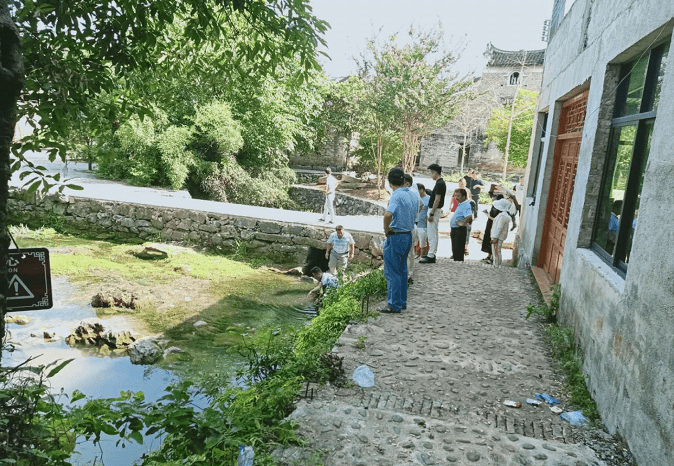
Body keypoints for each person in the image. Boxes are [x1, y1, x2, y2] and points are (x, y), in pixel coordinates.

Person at [381, 167, 417, 313]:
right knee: (402, 269)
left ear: (390, 182)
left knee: (392, 271)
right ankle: (402, 301)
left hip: (396, 235)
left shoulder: (396, 195)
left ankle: (394, 304)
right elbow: (420, 207)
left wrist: (386, 229)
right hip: (408, 233)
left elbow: (388, 214)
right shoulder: (413, 194)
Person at [420, 164, 446, 264]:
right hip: (434, 210)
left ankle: (431, 254)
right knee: (433, 232)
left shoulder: (440, 183)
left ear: (435, 172)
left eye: (431, 173)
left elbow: (437, 199)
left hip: (434, 210)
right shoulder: (440, 183)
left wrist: (431, 213)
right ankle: (431, 253)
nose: (431, 175)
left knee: (432, 233)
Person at [404, 174, 422, 282]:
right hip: (414, 224)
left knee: (405, 253)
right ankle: (410, 274)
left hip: (406, 225)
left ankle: (405, 277)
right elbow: (421, 205)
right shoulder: (415, 193)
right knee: (410, 252)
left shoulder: (406, 194)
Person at [449, 188, 473, 262]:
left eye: (458, 196)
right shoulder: (461, 204)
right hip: (455, 229)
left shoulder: (466, 205)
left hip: (459, 230)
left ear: (464, 196)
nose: (456, 198)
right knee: (455, 249)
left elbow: (469, 216)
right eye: (455, 196)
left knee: (458, 250)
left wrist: (463, 223)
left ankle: (458, 265)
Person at [490, 199, 513, 267]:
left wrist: (495, 238)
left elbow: (499, 228)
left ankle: (497, 265)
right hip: (499, 236)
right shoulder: (503, 215)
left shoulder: (502, 216)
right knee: (497, 250)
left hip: (497, 237)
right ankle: (497, 264)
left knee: (496, 251)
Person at [416, 183, 430, 259]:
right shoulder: (416, 198)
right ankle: (417, 254)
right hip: (416, 223)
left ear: (422, 190)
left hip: (424, 224)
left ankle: (423, 256)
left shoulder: (429, 199)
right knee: (416, 241)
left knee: (423, 242)